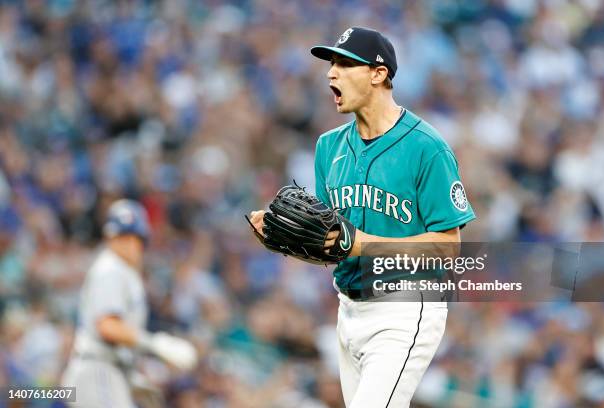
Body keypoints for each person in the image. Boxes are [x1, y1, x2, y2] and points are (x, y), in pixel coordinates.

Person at [249, 27, 476, 407]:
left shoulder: (427, 148)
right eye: (330, 64)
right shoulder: (328, 147)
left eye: (343, 63)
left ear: (378, 73)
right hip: (348, 310)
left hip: (405, 307)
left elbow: (448, 247)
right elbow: (334, 247)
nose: (330, 73)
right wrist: (283, 241)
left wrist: (358, 243)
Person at [61, 199, 197, 408]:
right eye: (121, 237)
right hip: (98, 370)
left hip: (106, 371)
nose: (128, 244)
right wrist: (155, 343)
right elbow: (107, 326)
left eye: (133, 238)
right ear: (109, 238)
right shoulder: (111, 269)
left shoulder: (122, 271)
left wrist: (131, 377)